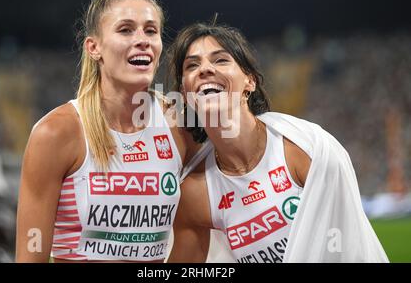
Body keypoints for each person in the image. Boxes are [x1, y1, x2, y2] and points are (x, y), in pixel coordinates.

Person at [167, 22, 389, 263]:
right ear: (185, 94)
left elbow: (354, 249)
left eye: (220, 60)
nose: (205, 69)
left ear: (249, 81)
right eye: (192, 65)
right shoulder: (195, 192)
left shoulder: (304, 150)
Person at [15, 0, 198, 262]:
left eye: (151, 31)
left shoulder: (180, 124)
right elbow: (30, 257)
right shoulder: (56, 133)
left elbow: (198, 229)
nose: (142, 40)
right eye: (125, 30)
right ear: (94, 47)